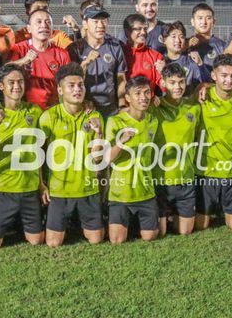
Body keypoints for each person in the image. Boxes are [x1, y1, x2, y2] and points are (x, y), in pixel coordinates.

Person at [0, 64, 45, 248]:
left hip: (29, 188)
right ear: (1, 86)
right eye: (11, 82)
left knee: (37, 241)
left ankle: (18, 223)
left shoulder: (34, 112)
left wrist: (40, 184)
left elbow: (38, 151)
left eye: (20, 82)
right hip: (3, 189)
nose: (17, 86)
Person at [40, 63, 105, 247]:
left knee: (96, 239)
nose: (77, 89)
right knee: (53, 243)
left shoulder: (94, 117)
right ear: (60, 89)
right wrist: (41, 185)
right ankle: (69, 222)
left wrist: (98, 133)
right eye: (71, 85)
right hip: (60, 191)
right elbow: (37, 156)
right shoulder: (49, 117)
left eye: (81, 85)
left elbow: (98, 159)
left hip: (87, 189)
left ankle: (78, 223)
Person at [195, 54, 232, 231]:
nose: (229, 80)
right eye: (224, 75)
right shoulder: (202, 98)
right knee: (200, 225)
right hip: (206, 172)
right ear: (214, 76)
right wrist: (203, 86)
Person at [105, 76, 162, 243]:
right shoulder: (115, 122)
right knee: (116, 240)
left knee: (150, 237)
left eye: (146, 93)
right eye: (137, 94)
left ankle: (138, 223)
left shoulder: (152, 120)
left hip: (146, 191)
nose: (143, 97)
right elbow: (106, 159)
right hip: (121, 193)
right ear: (128, 98)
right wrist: (120, 142)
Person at [153, 63, 201, 236]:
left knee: (185, 231)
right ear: (163, 83)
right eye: (172, 82)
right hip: (160, 181)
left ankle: (173, 215)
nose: (178, 86)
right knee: (159, 233)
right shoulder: (153, 108)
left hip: (185, 179)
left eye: (181, 82)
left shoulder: (194, 108)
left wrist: (205, 85)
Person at [68, 7, 127, 116]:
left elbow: (121, 79)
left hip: (111, 109)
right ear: (85, 24)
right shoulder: (74, 48)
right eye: (95, 21)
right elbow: (71, 80)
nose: (101, 25)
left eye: (104, 21)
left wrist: (122, 104)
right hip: (84, 109)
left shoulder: (115, 47)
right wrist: (85, 63)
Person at [9, 9, 71, 109]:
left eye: (48, 22)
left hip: (52, 110)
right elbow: (4, 72)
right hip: (24, 110)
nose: (44, 25)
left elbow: (69, 83)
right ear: (29, 28)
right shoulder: (18, 49)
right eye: (39, 22)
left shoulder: (62, 54)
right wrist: (23, 60)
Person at [161, 21, 211, 95]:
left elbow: (208, 82)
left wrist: (200, 64)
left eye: (182, 37)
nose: (178, 41)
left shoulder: (191, 61)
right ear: (164, 40)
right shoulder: (159, 60)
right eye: (173, 36)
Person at [121, 13, 165, 95]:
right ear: (127, 31)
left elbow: (163, 85)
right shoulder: (119, 53)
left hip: (147, 104)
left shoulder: (156, 56)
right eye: (138, 29)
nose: (143, 32)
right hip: (123, 105)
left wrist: (165, 74)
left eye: (145, 29)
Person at [187, 3, 226, 73]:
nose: (204, 22)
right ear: (192, 22)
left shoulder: (222, 46)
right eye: (200, 18)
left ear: (214, 22)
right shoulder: (184, 46)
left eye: (208, 18)